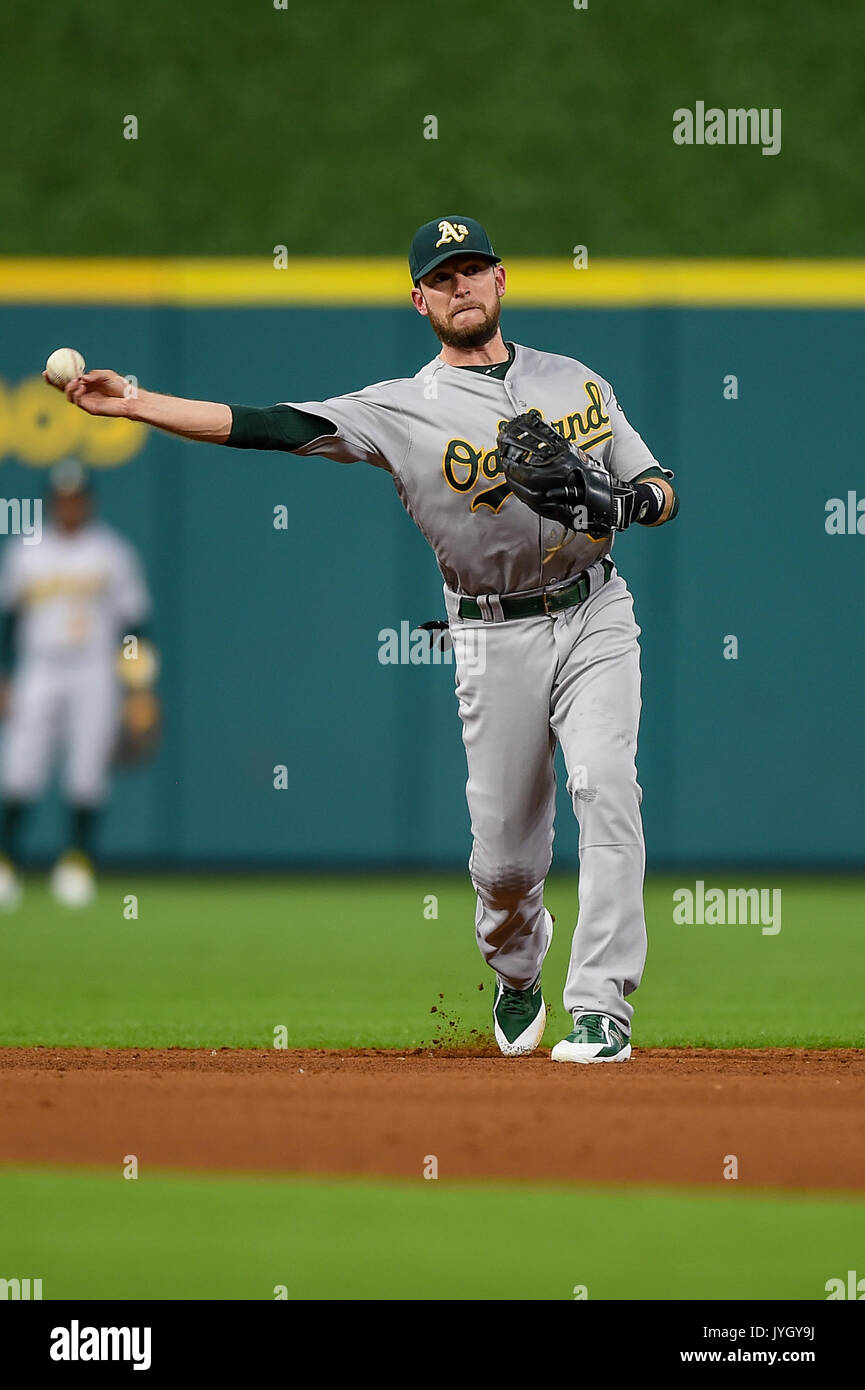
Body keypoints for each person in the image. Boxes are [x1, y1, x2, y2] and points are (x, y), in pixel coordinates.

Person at [43, 215, 678, 1060]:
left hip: (595, 611)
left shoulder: (577, 381)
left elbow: (660, 486)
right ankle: (517, 967)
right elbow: (268, 424)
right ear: (419, 300)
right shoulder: (399, 408)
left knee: (606, 785)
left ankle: (601, 1006)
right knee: (502, 865)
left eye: (473, 269)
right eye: (443, 277)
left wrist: (626, 504)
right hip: (492, 636)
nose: (461, 286)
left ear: (501, 281)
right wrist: (138, 403)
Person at [0, 459, 152, 908]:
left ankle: (78, 863)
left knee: (87, 769)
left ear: (88, 502)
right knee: (20, 766)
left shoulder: (111, 552)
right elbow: (6, 622)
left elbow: (135, 627)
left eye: (77, 498)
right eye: (63, 498)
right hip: (38, 666)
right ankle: (6, 863)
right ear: (52, 502)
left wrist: (139, 687)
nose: (70, 506)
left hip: (94, 669)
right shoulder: (26, 551)